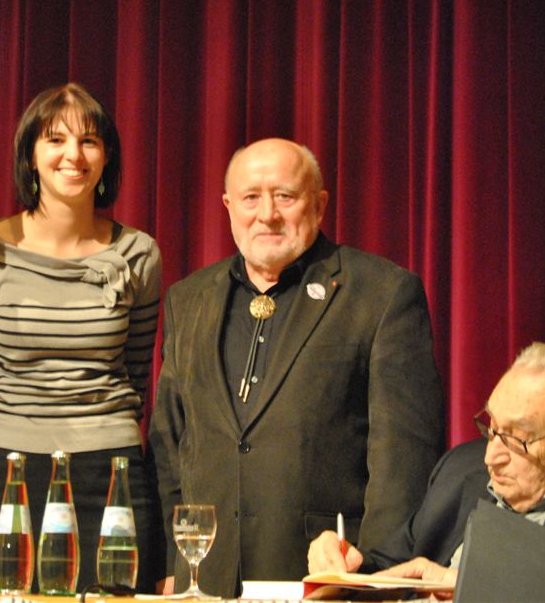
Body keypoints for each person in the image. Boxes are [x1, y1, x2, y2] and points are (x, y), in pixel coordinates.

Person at [149, 138, 444, 597]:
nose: (267, 214)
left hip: (325, 580)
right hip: (204, 579)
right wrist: (174, 562)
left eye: (285, 196)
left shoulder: (381, 294)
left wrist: (371, 576)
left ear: (319, 204)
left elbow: (403, 460)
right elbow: (170, 445)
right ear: (228, 207)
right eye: (250, 197)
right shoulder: (189, 299)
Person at [0, 83, 164, 592]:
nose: (74, 155)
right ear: (30, 155)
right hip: (8, 467)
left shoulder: (139, 254)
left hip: (110, 469)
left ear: (106, 157)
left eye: (89, 141)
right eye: (55, 140)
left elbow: (137, 374)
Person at [307, 342, 545, 584]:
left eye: (519, 439)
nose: (491, 457)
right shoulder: (460, 468)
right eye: (492, 429)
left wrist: (466, 587)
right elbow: (392, 567)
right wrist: (347, 566)